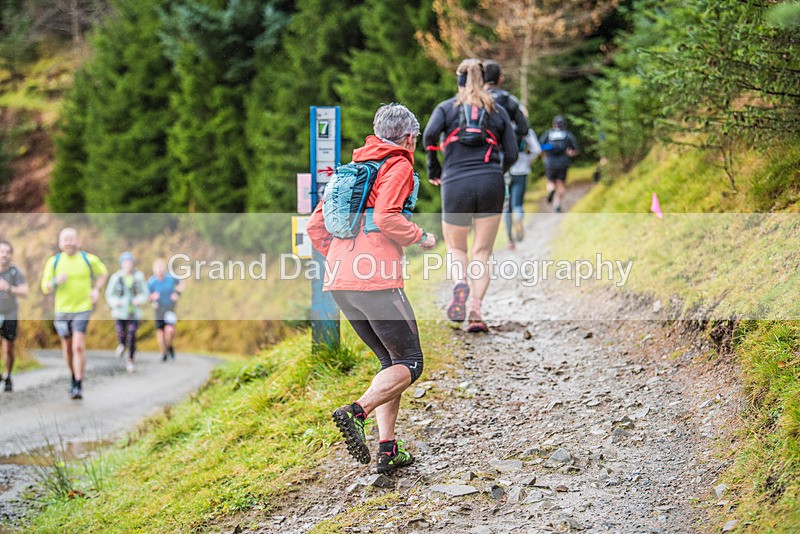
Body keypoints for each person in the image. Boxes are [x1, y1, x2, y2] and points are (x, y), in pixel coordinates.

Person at [307, 103, 436, 474]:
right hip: (375, 279)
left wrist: (343, 259)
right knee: (411, 363)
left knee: (389, 362)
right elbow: (386, 217)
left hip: (340, 281)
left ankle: (387, 448)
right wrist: (420, 237)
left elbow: (316, 228)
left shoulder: (350, 171)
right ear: (410, 138)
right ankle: (356, 411)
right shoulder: (399, 165)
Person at [423, 58, 518, 332]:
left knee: (456, 248)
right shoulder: (496, 109)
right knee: (482, 251)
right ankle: (476, 311)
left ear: (459, 80)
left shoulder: (446, 109)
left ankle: (459, 284)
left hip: (455, 183)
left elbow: (429, 135)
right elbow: (511, 153)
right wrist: (497, 171)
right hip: (490, 182)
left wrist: (434, 168)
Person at [41, 228, 108, 400]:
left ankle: (78, 382)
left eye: (72, 239)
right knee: (68, 347)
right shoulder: (54, 262)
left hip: (82, 308)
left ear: (78, 241)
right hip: (62, 311)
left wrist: (96, 290)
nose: (69, 242)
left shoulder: (87, 259)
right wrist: (56, 281)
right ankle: (73, 375)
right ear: (60, 243)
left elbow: (103, 273)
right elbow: (45, 287)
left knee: (78, 346)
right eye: (65, 240)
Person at [105, 252, 148, 373]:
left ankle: (130, 360)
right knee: (121, 333)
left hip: (134, 312)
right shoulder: (116, 278)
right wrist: (115, 302)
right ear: (121, 264)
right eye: (125, 262)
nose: (128, 265)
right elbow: (109, 294)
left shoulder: (138, 277)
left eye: (130, 262)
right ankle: (122, 345)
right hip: (120, 312)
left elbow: (145, 293)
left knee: (132, 335)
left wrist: (139, 300)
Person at [503, 129, 541, 249]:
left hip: (504, 171)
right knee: (517, 204)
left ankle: (510, 240)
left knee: (506, 207)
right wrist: (527, 159)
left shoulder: (499, 123)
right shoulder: (524, 129)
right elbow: (537, 149)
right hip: (521, 169)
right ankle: (518, 219)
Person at [0, 240, 29, 392]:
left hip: (10, 312)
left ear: (11, 255)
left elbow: (25, 292)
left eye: (7, 252)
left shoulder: (14, 272)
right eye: (1, 251)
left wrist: (8, 288)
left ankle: (8, 375)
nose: (4, 255)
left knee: (8, 346)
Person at [483, 60, 530, 144]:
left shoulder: (471, 100)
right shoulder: (510, 100)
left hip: (479, 151)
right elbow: (524, 129)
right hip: (502, 151)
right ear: (501, 79)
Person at [539, 115, 579, 213]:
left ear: (553, 124)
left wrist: (544, 157)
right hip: (563, 162)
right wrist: (570, 152)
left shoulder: (548, 134)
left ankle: (551, 190)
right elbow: (575, 150)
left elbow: (539, 147)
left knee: (550, 181)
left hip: (550, 162)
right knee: (561, 183)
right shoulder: (567, 135)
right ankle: (557, 205)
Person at [148, 259, 183, 362]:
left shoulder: (171, 278)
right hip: (158, 309)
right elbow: (146, 296)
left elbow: (181, 282)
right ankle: (163, 353)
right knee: (161, 332)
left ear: (165, 268)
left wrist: (177, 293)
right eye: (157, 268)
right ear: (154, 270)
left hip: (170, 308)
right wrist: (152, 298)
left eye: (161, 267)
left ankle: (169, 346)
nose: (160, 270)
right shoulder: (151, 282)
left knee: (170, 330)